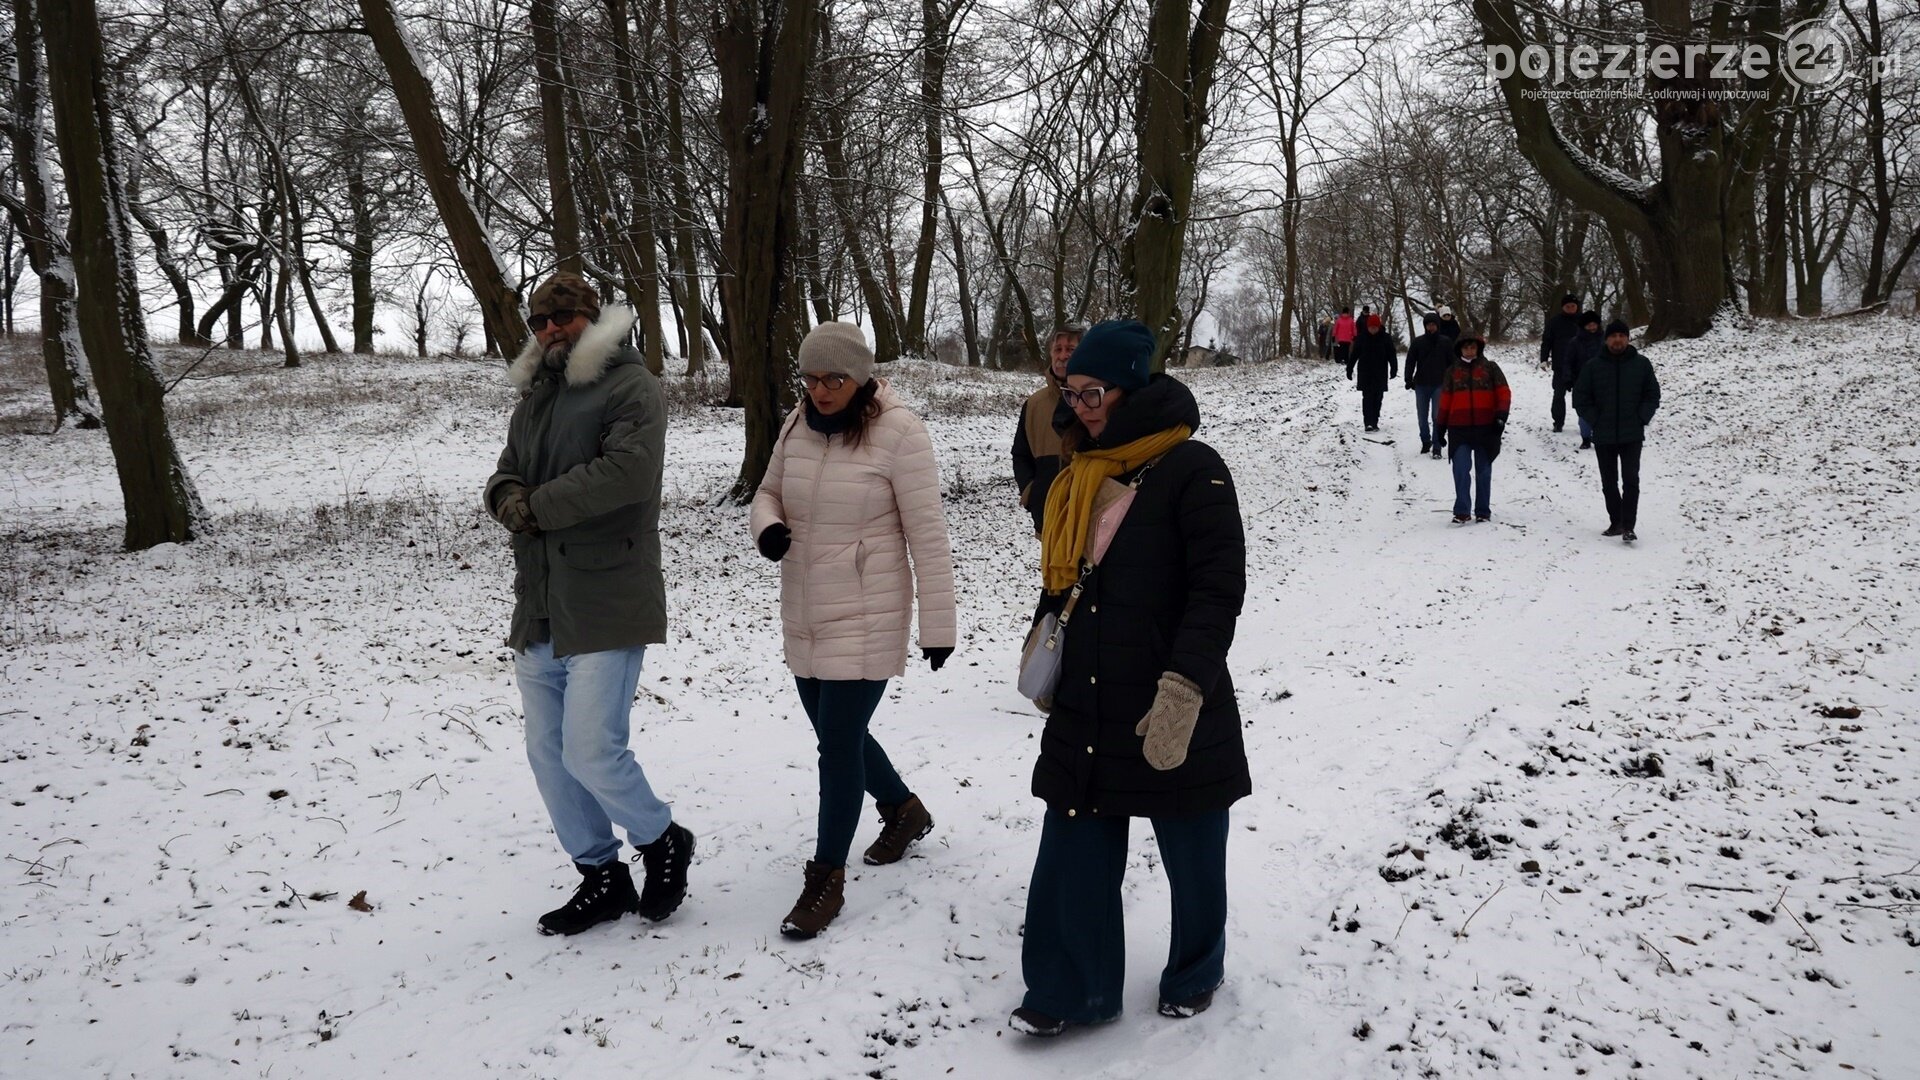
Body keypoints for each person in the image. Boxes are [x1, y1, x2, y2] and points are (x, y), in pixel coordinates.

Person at [1009, 319, 1250, 1037]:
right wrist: (1045, 644)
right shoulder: (1078, 471)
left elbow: (1217, 590)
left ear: (1133, 388)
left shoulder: (1194, 469)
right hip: (1089, 689)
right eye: (1072, 391)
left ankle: (1196, 970)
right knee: (1073, 839)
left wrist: (1185, 687)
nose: (1080, 406)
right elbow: (1068, 577)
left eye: (1094, 392)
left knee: (1193, 844)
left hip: (1169, 691)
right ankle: (1067, 989)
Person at [484, 272, 694, 937]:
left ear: (592, 318)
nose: (551, 329)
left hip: (606, 597)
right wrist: (505, 498)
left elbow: (628, 472)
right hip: (541, 601)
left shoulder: (631, 385)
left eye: (564, 317)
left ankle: (662, 839)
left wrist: (535, 507)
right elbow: (506, 472)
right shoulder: (535, 399)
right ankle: (601, 874)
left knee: (591, 751)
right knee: (549, 755)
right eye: (540, 321)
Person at [750, 321, 958, 938]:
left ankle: (826, 879)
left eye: (833, 379)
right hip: (806, 608)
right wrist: (768, 528)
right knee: (839, 733)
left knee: (837, 746)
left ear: (861, 378)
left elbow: (928, 535)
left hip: (870, 611)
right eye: (811, 378)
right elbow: (766, 492)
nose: (820, 390)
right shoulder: (796, 424)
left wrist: (938, 625)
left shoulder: (901, 432)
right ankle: (903, 808)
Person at [1571, 319, 1661, 543]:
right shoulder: (1593, 366)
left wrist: (1642, 417)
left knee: (1631, 480)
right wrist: (1595, 420)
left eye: (1622, 336)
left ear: (1628, 339)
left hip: (1632, 433)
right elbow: (1580, 398)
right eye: (1613, 336)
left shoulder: (1642, 364)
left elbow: (1652, 395)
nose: (1618, 340)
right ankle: (1616, 521)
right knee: (1609, 482)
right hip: (1604, 434)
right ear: (1606, 339)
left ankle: (1629, 526)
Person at [1434, 332, 1511, 523]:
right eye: (1466, 347)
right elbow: (1445, 400)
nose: (1469, 351)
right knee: (1461, 469)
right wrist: (1440, 426)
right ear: (1460, 349)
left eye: (1473, 347)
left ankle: (1483, 511)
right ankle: (1462, 510)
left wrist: (1501, 416)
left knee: (1483, 471)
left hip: (1486, 428)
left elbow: (1503, 393)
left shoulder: (1491, 368)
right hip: (1459, 429)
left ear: (1478, 348)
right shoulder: (1452, 371)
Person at [1012, 325, 1081, 534]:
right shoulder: (1035, 404)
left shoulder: (1097, 399)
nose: (1063, 356)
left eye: (1070, 349)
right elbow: (1020, 454)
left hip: (1091, 521)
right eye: (1058, 349)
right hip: (1048, 519)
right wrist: (1031, 493)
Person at [1404, 312, 1453, 456]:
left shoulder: (1445, 342)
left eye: (1433, 325)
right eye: (1428, 325)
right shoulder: (1418, 342)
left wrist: (1453, 381)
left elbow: (1452, 363)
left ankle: (1437, 446)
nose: (1431, 327)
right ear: (1425, 326)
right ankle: (1425, 440)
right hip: (1421, 384)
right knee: (1422, 417)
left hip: (1440, 384)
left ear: (1437, 326)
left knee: (1437, 417)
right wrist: (1408, 379)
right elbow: (1410, 361)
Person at [1556, 311, 1603, 448]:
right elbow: (1568, 361)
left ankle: (1599, 435)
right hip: (1581, 382)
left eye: (1594, 324)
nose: (1592, 327)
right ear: (1583, 326)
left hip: (1602, 381)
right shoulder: (1575, 342)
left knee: (1602, 409)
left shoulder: (1605, 340)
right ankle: (1586, 437)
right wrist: (1567, 378)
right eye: (1589, 325)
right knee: (1583, 411)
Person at [1348, 313, 1397, 432]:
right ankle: (1368, 423)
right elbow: (1354, 355)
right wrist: (1349, 369)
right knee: (1367, 398)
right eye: (1371, 327)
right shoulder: (1361, 337)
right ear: (1368, 327)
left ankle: (1375, 421)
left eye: (1375, 327)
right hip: (1365, 372)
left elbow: (1391, 354)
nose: (1373, 330)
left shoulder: (1385, 338)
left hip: (1380, 372)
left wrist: (1394, 368)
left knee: (1378, 397)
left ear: (1379, 327)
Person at [1539, 292, 1583, 385]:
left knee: (1581, 391)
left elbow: (1593, 339)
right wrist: (1544, 359)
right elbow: (1547, 341)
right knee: (1559, 391)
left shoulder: (1584, 321)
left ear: (1577, 306)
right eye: (1567, 306)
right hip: (1560, 363)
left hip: (1580, 364)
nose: (1570, 309)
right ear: (1563, 307)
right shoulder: (1554, 322)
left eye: (1573, 306)